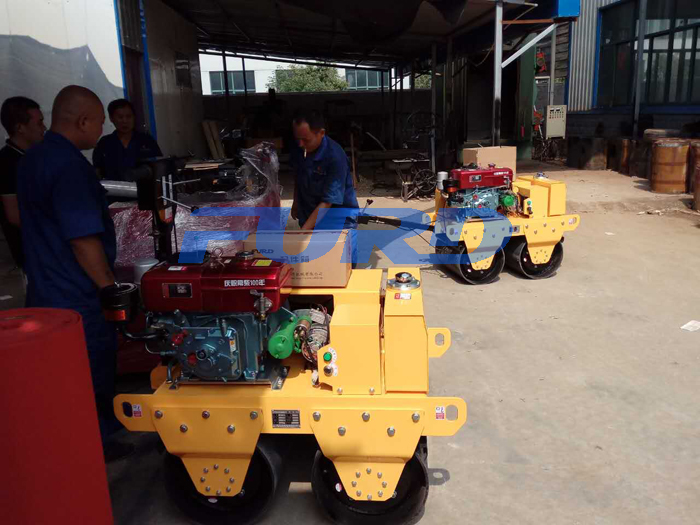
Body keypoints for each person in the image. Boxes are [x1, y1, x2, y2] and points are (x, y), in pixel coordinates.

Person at [17, 85, 132, 462]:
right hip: (77, 294)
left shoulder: (34, 157)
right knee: (89, 369)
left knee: (61, 373)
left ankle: (85, 432)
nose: (103, 129)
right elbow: (82, 239)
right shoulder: (69, 167)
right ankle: (93, 444)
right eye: (99, 122)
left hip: (45, 287)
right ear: (83, 121)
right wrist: (109, 289)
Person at [290, 109, 359, 231]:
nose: (300, 144)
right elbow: (299, 175)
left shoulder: (335, 157)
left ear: (321, 133)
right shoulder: (300, 148)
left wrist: (303, 231)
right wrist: (296, 203)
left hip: (337, 221)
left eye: (306, 140)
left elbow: (327, 202)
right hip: (310, 214)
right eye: (298, 139)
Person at [0, 96, 46, 273]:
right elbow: (14, 216)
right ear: (20, 128)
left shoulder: (37, 155)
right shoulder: (7, 163)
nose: (44, 128)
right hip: (31, 250)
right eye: (39, 123)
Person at [92, 98, 161, 181]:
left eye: (129, 116)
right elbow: (97, 172)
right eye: (120, 117)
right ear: (111, 118)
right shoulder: (104, 143)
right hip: (114, 188)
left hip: (143, 188)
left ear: (134, 117)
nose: (125, 121)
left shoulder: (147, 141)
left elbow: (159, 169)